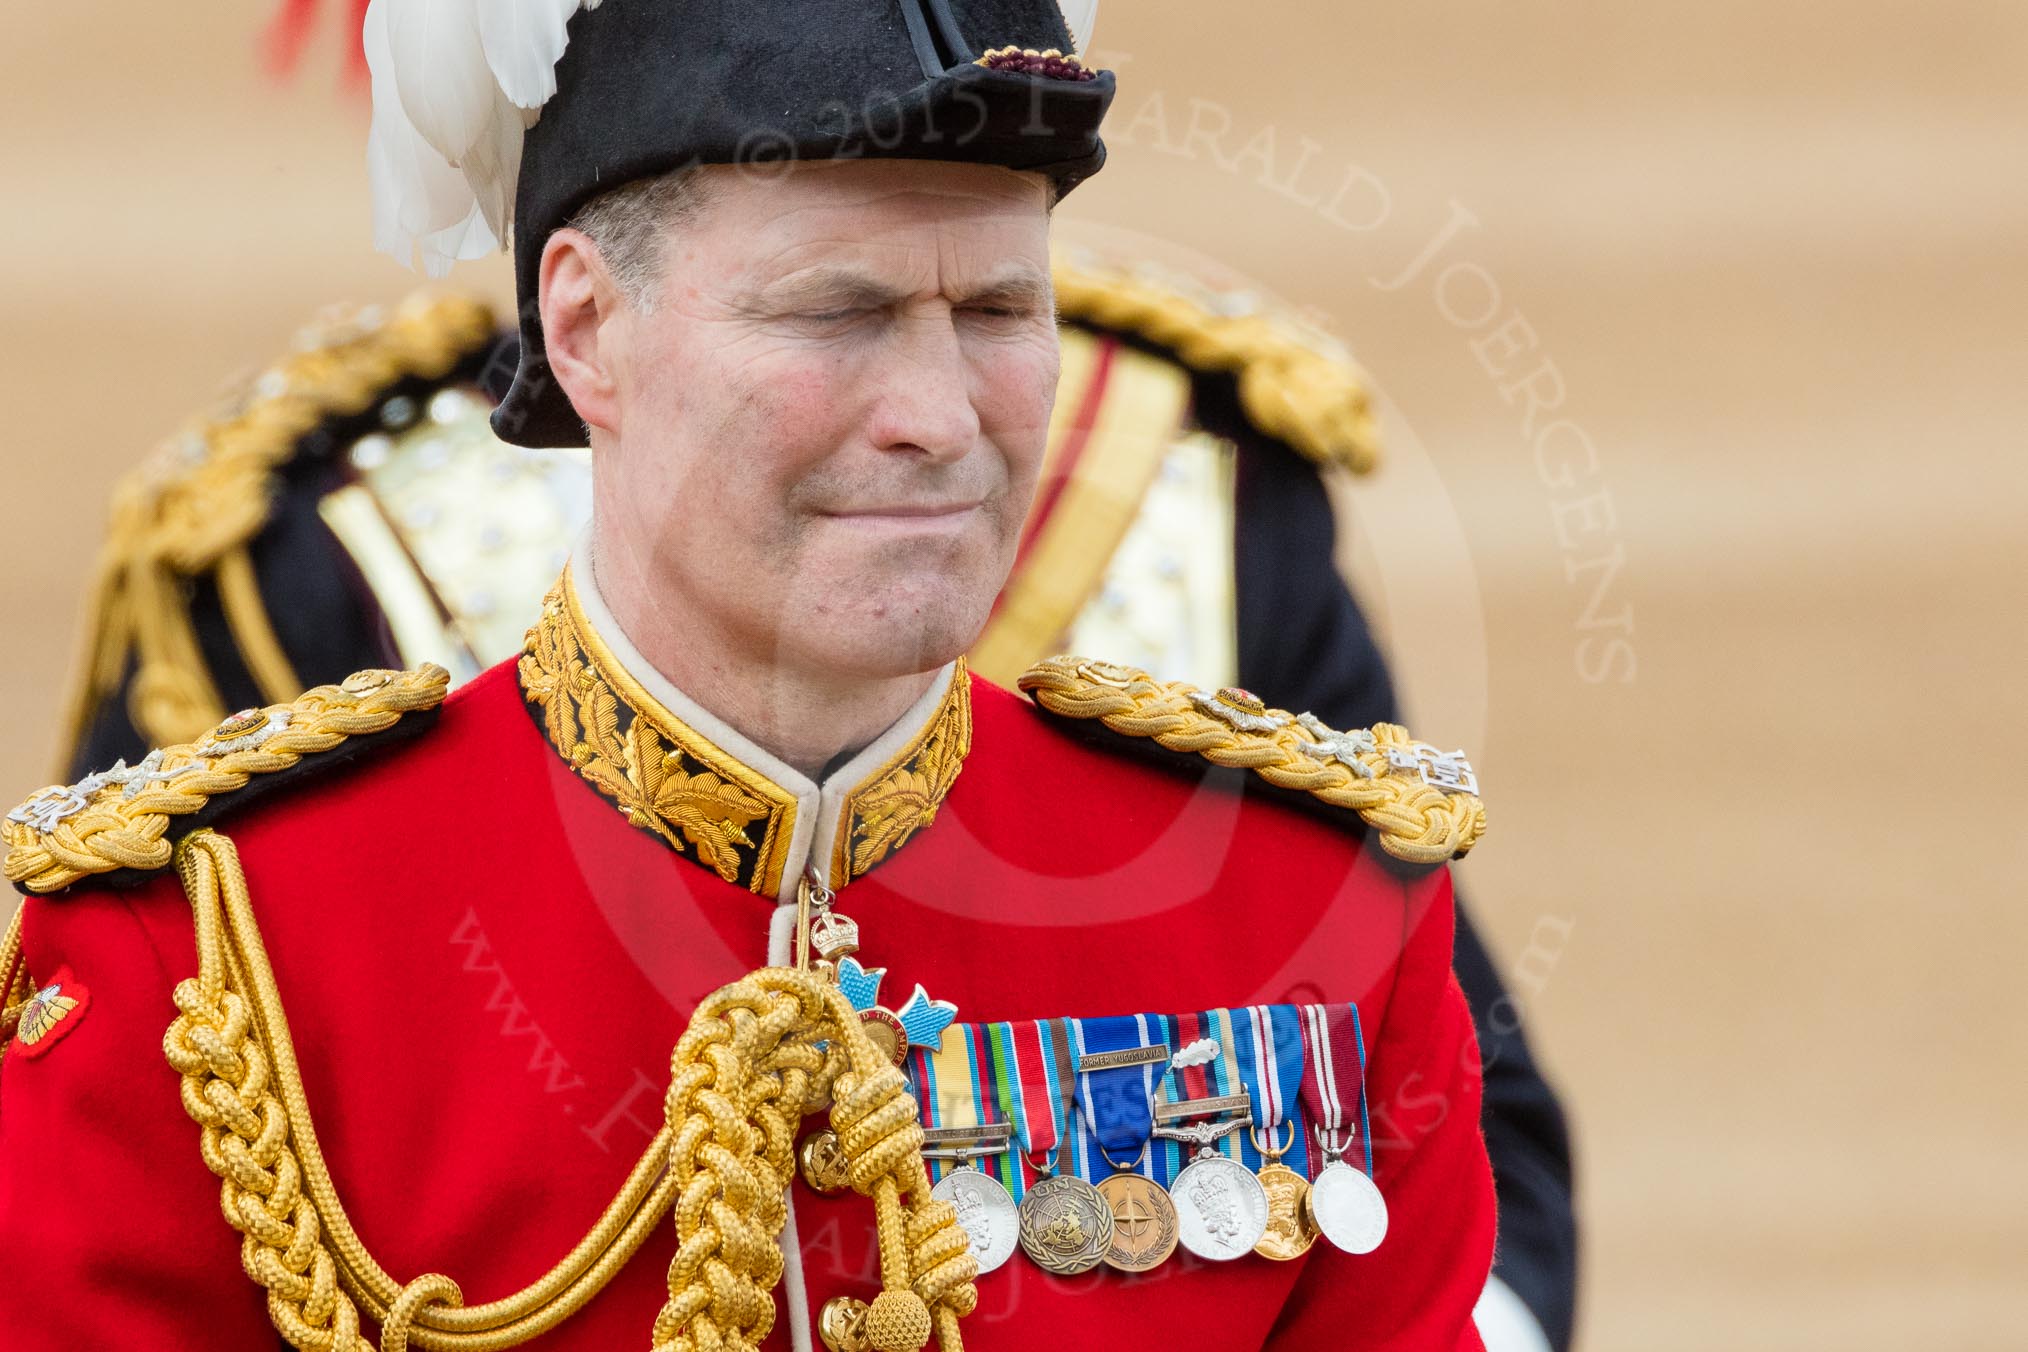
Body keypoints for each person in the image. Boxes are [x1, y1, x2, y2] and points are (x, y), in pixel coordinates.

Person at [1, 3, 1498, 1348]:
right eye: (832, 314)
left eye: (997, 312)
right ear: (584, 328)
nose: (936, 414)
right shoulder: (203, 964)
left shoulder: (1319, 916)